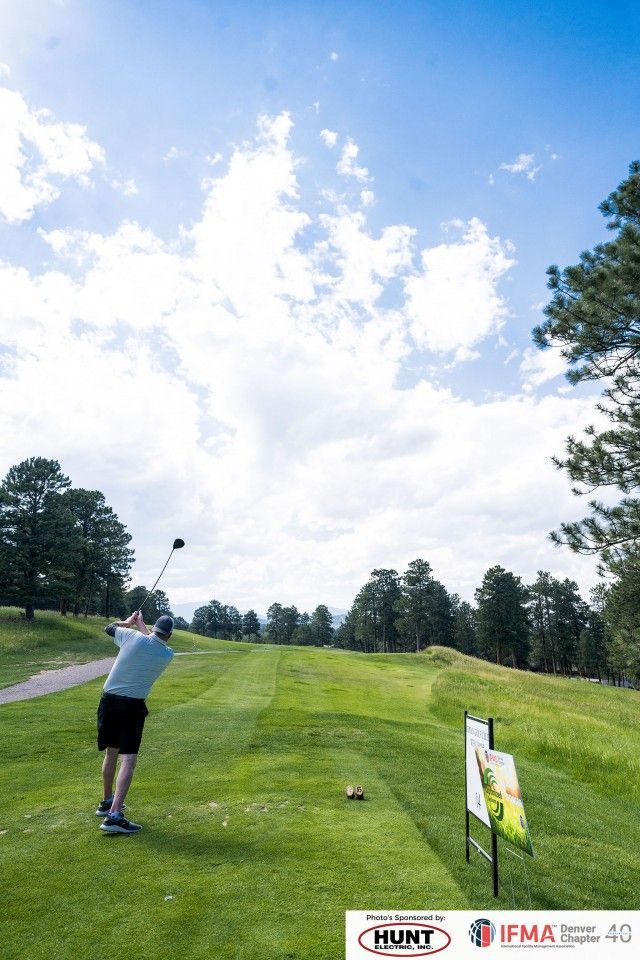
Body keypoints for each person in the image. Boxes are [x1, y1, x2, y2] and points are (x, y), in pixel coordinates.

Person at [96, 610, 175, 834]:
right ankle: (114, 815)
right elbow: (153, 641)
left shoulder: (130, 637)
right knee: (128, 759)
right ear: (169, 635)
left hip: (108, 700)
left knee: (111, 752)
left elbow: (110, 627)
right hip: (132, 707)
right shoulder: (167, 655)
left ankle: (106, 802)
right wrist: (140, 625)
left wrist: (129, 622)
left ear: (154, 628)